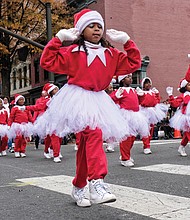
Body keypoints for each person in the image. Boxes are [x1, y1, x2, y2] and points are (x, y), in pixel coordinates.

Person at [39, 8, 141, 207]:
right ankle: (97, 183)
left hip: (99, 99)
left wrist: (128, 42)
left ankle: (78, 186)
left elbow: (133, 62)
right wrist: (58, 39)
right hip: (77, 98)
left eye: (99, 26)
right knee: (94, 133)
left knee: (86, 146)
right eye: (91, 26)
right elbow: (47, 61)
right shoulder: (72, 52)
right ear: (81, 30)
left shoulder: (111, 53)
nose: (96, 29)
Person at [110, 74, 149, 166]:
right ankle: (125, 158)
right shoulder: (120, 90)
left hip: (135, 115)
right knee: (125, 138)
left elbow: (141, 102)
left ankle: (126, 154)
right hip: (125, 115)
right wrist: (116, 96)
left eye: (131, 77)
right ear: (122, 80)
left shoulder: (133, 90)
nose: (131, 79)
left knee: (132, 137)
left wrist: (142, 95)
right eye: (128, 77)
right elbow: (110, 101)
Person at [26, 83, 63, 163]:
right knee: (53, 137)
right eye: (55, 89)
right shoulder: (48, 101)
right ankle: (53, 154)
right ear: (51, 91)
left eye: (57, 88)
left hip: (59, 120)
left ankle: (53, 150)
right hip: (51, 121)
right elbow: (38, 107)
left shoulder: (61, 99)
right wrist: (26, 107)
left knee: (59, 138)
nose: (57, 90)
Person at [136, 77, 168, 154]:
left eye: (149, 82)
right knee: (145, 129)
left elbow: (157, 101)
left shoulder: (153, 92)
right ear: (143, 85)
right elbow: (139, 102)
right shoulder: (141, 93)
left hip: (152, 112)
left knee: (151, 129)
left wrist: (157, 94)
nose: (148, 84)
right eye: (146, 83)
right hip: (143, 111)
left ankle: (147, 144)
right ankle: (146, 146)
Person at [166, 65, 190, 156]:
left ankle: (181, 147)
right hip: (186, 118)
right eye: (188, 85)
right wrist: (170, 95)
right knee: (188, 133)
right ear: (184, 87)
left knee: (187, 136)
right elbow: (175, 104)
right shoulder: (183, 96)